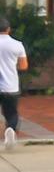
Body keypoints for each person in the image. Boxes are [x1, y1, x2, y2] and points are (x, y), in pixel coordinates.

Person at [0, 14, 25, 152]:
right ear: (8, 29)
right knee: (11, 114)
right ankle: (10, 129)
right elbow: (23, 66)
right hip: (11, 86)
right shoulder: (17, 45)